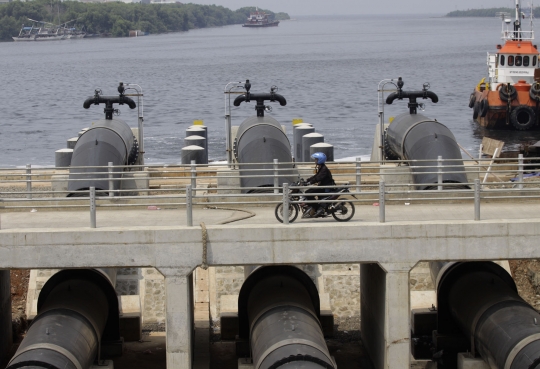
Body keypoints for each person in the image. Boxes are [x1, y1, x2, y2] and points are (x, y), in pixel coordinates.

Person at [304, 152, 334, 217]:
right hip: (322, 186)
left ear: (320, 160)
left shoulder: (324, 169)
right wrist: (307, 180)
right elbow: (316, 176)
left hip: (325, 188)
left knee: (308, 193)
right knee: (308, 192)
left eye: (316, 159)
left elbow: (318, 178)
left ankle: (316, 208)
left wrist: (309, 183)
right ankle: (313, 207)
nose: (315, 160)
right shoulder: (321, 167)